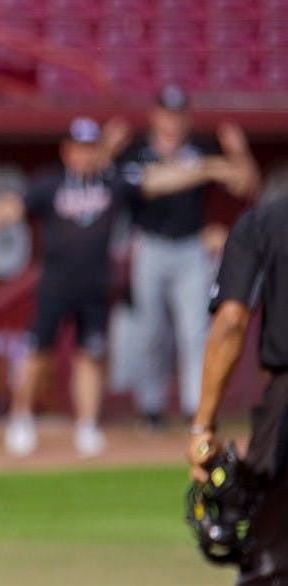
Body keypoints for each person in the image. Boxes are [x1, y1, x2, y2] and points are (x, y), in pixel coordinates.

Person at [0, 117, 246, 457]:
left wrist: (208, 169)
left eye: (91, 148)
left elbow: (160, 180)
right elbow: (9, 207)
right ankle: (21, 418)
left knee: (92, 355)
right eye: (79, 148)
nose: (85, 155)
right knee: (38, 353)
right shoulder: (51, 184)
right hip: (55, 284)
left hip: (95, 285)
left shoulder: (113, 182)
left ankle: (87, 425)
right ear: (67, 151)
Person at [186, 189, 288, 586]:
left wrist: (204, 424)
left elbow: (230, 321)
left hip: (286, 410)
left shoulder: (266, 220)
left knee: (270, 580)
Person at [118, 85, 259, 429]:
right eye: (167, 113)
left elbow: (246, 185)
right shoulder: (139, 153)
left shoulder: (201, 150)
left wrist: (239, 155)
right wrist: (208, 168)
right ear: (155, 116)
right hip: (150, 246)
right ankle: (150, 409)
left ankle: (197, 409)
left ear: (187, 117)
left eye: (179, 114)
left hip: (190, 248)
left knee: (195, 331)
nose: (172, 121)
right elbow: (150, 184)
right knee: (150, 332)